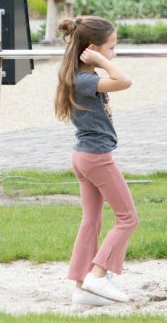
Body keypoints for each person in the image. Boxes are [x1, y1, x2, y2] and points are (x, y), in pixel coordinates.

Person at [54, 16, 138, 306]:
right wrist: (101, 61)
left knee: (91, 220)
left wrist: (100, 59)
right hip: (96, 158)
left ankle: (81, 287)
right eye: (111, 47)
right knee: (128, 218)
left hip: (83, 156)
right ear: (91, 49)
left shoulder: (79, 77)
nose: (114, 53)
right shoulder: (86, 79)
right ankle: (98, 275)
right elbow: (124, 81)